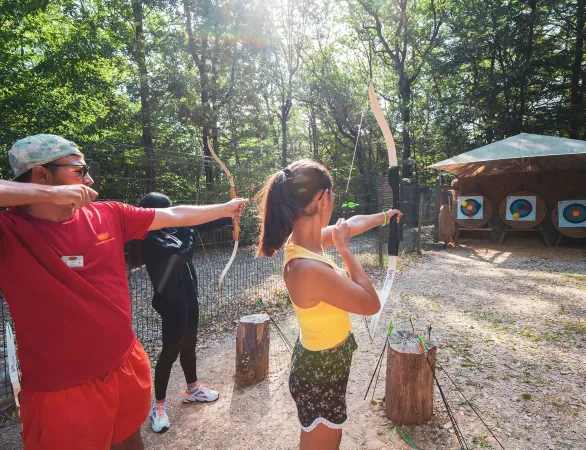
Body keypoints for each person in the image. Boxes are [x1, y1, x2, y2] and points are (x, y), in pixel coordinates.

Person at [0, 134, 246, 449]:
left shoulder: (108, 214)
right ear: (42, 175)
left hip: (124, 367)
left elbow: (173, 215)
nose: (89, 179)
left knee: (131, 442)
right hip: (60, 393)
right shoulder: (9, 231)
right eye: (79, 170)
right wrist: (47, 195)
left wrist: (225, 208)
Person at [256, 160, 401, 450]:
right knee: (323, 443)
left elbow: (349, 225)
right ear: (322, 198)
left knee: (329, 438)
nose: (334, 202)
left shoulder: (306, 242)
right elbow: (371, 303)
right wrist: (345, 249)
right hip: (319, 373)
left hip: (324, 365)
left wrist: (385, 216)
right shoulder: (307, 267)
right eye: (332, 195)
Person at [128, 192, 228, 433]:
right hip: (171, 302)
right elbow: (183, 251)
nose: (169, 213)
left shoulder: (173, 228)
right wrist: (188, 227)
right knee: (170, 351)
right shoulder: (149, 236)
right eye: (164, 210)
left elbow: (203, 221)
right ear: (151, 213)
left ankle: (192, 388)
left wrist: (228, 214)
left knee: (189, 344)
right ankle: (159, 405)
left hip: (188, 297)